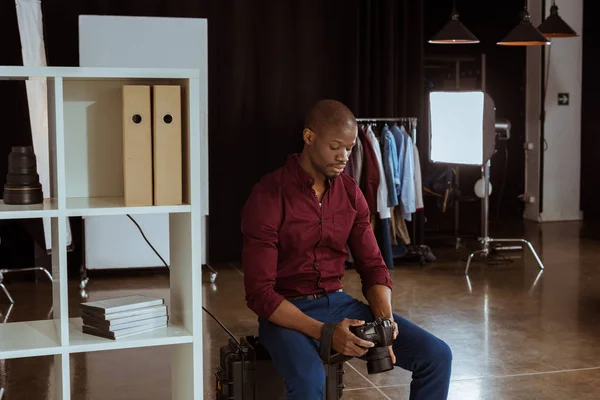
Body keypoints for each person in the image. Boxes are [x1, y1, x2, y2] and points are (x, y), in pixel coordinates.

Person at [241, 99, 452, 399]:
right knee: (309, 380)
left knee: (437, 356)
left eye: (350, 148)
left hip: (338, 303)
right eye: (335, 147)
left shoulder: (351, 193)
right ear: (309, 137)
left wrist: (385, 322)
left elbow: (374, 268)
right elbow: (259, 294)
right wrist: (325, 333)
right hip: (286, 313)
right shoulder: (268, 195)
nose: (343, 157)